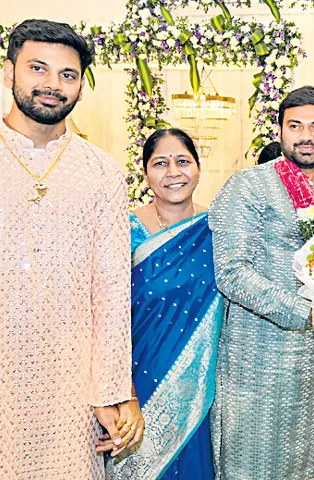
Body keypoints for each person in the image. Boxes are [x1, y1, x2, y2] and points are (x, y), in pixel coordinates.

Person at [0, 19, 136, 478]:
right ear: (9, 72)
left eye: (67, 74)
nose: (52, 85)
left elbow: (111, 290)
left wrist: (111, 391)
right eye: (37, 68)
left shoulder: (101, 172)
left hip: (70, 380)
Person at [209, 86, 314, 479]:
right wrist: (308, 314)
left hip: (313, 363)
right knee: (251, 465)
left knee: (306, 467)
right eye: (295, 126)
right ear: (279, 131)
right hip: (256, 362)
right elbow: (231, 272)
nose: (306, 136)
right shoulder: (249, 185)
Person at [102, 128, 221, 479]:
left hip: (201, 385)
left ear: (198, 168)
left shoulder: (218, 227)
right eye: (160, 163)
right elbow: (104, 313)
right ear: (144, 172)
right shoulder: (123, 230)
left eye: (183, 161)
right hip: (136, 381)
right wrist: (118, 393)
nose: (173, 172)